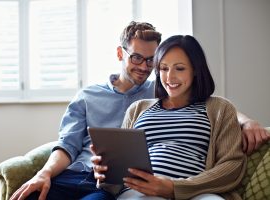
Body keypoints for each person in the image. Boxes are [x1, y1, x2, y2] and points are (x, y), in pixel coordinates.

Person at [10, 21, 268, 200]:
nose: (148, 68)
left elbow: (220, 119)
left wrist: (247, 121)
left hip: (177, 189)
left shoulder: (196, 101)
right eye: (163, 68)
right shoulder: (131, 104)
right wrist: (101, 172)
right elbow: (70, 145)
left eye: (152, 61)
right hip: (111, 182)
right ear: (121, 54)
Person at [91, 35, 247, 200]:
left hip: (198, 193)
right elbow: (119, 176)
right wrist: (105, 171)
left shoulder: (220, 109)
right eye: (164, 68)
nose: (170, 77)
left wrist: (175, 187)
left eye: (179, 68)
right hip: (142, 193)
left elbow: (231, 165)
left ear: (195, 70)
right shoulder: (137, 109)